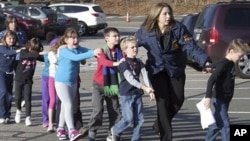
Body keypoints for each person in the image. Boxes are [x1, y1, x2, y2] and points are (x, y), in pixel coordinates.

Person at [135, 2, 212, 141]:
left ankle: (159, 124)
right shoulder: (146, 31)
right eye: (164, 14)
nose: (168, 16)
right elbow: (131, 43)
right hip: (157, 70)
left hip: (175, 69)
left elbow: (191, 47)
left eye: (169, 13)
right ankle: (166, 137)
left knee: (178, 100)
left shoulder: (178, 29)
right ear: (156, 15)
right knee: (163, 105)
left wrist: (205, 61)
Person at [54, 27, 102, 141]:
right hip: (61, 82)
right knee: (69, 104)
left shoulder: (79, 48)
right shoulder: (64, 51)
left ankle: (60, 129)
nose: (75, 40)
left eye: (76, 37)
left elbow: (87, 51)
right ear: (66, 40)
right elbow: (76, 58)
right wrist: (92, 53)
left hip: (73, 81)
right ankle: (71, 131)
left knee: (65, 107)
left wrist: (97, 51)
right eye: (72, 38)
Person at [111, 36, 155, 141]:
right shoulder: (123, 63)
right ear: (125, 50)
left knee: (139, 119)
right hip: (126, 94)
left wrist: (150, 89)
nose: (135, 49)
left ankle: (136, 138)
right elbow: (130, 79)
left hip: (137, 93)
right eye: (132, 47)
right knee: (128, 118)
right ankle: (115, 130)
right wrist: (144, 87)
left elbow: (145, 76)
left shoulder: (139, 62)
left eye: (136, 47)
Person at [204, 38, 249, 141]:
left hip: (226, 98)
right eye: (239, 55)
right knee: (225, 125)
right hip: (219, 98)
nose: (240, 58)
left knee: (217, 124)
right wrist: (208, 97)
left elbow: (214, 65)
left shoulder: (230, 62)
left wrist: (207, 67)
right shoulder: (224, 63)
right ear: (231, 51)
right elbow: (211, 80)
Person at [87, 27, 124, 141]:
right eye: (114, 36)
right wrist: (117, 63)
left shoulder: (120, 51)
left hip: (112, 85)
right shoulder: (101, 51)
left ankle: (113, 132)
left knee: (115, 110)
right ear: (106, 38)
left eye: (118, 35)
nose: (117, 38)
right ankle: (92, 130)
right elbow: (104, 62)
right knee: (98, 110)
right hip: (99, 84)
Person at [14, 37, 47, 126]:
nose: (33, 51)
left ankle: (28, 117)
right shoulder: (23, 51)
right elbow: (26, 56)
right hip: (19, 79)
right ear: (29, 46)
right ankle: (18, 110)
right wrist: (38, 53)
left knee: (28, 98)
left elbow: (43, 58)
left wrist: (49, 56)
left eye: (35, 50)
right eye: (32, 49)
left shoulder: (35, 54)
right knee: (17, 98)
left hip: (28, 80)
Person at [0, 30, 23, 124]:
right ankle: (1, 115)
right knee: (3, 92)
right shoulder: (2, 47)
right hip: (1, 72)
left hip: (10, 74)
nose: (11, 40)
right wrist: (18, 50)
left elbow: (17, 62)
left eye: (13, 38)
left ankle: (7, 115)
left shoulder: (15, 48)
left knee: (9, 96)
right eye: (9, 38)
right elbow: (8, 53)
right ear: (5, 39)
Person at [41, 32, 58, 131]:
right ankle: (46, 119)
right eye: (54, 44)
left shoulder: (60, 52)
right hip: (47, 77)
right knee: (47, 99)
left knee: (55, 99)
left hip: (57, 77)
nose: (56, 45)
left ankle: (53, 118)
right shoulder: (48, 54)